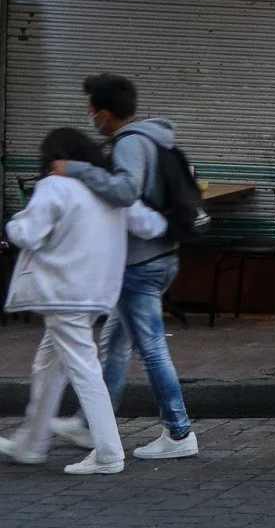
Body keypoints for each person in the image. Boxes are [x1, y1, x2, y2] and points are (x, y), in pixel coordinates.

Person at [54, 73, 198, 461]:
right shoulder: (154, 136)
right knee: (114, 344)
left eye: (91, 110)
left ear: (103, 113)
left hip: (142, 261)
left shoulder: (132, 144)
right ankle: (90, 423)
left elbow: (125, 191)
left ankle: (179, 432)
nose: (91, 118)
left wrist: (77, 170)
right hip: (158, 255)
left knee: (151, 348)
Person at [0, 129, 140, 475]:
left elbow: (29, 233)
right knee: (48, 364)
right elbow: (147, 223)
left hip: (64, 293)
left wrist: (13, 224)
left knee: (83, 368)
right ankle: (32, 442)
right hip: (96, 293)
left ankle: (108, 452)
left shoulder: (53, 186)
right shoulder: (105, 190)